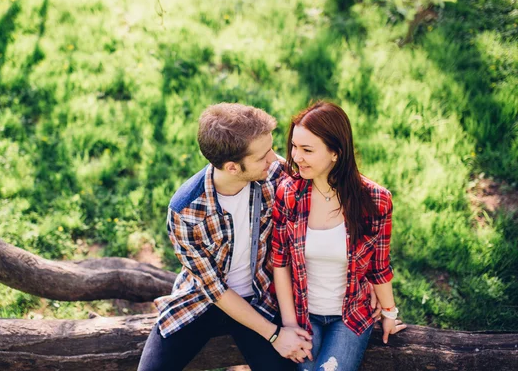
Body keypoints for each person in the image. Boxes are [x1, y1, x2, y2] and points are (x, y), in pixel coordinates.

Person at [137, 103, 312, 371]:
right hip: (203, 300)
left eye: (271, 150)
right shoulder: (185, 211)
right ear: (232, 167)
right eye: (263, 156)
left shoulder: (275, 174)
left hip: (261, 298)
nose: (274, 159)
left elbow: (333, 185)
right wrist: (275, 335)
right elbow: (215, 291)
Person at [271, 101, 406, 371]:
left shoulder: (375, 200)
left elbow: (379, 266)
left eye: (307, 150)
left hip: (350, 316)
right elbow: (280, 263)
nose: (297, 157)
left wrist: (389, 313)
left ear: (336, 153)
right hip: (302, 313)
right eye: (295, 147)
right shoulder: (288, 194)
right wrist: (289, 324)